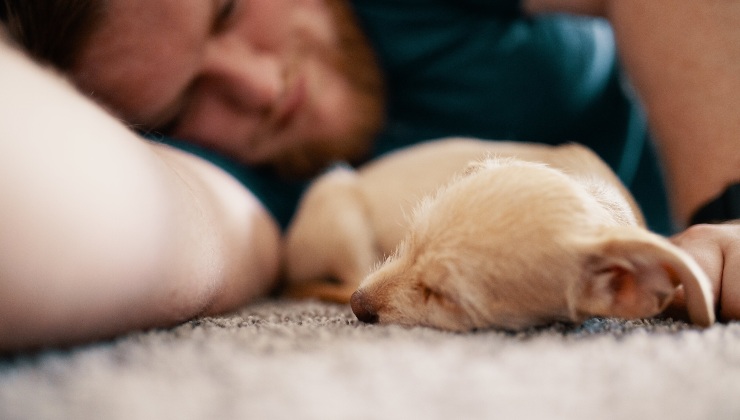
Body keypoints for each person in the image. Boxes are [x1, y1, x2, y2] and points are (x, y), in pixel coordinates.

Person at [0, 0, 738, 351]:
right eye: (184, 101)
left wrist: (728, 215)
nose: (260, 88)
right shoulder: (256, 187)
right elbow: (127, 208)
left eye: (228, 11)